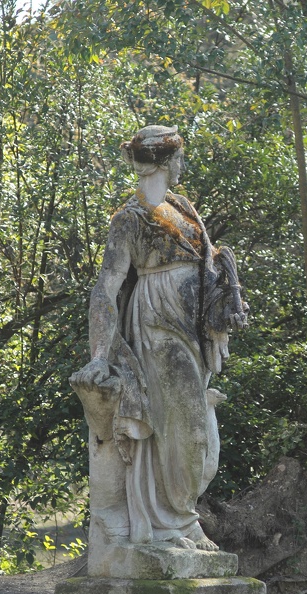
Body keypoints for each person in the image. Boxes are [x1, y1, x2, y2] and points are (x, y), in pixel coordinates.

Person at [70, 125, 247, 551]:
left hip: (191, 329)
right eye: (180, 158)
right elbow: (106, 287)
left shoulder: (182, 208)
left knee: (186, 425)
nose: (183, 166)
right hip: (156, 326)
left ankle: (177, 520)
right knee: (184, 425)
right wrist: (99, 354)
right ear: (166, 162)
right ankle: (174, 525)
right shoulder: (129, 218)